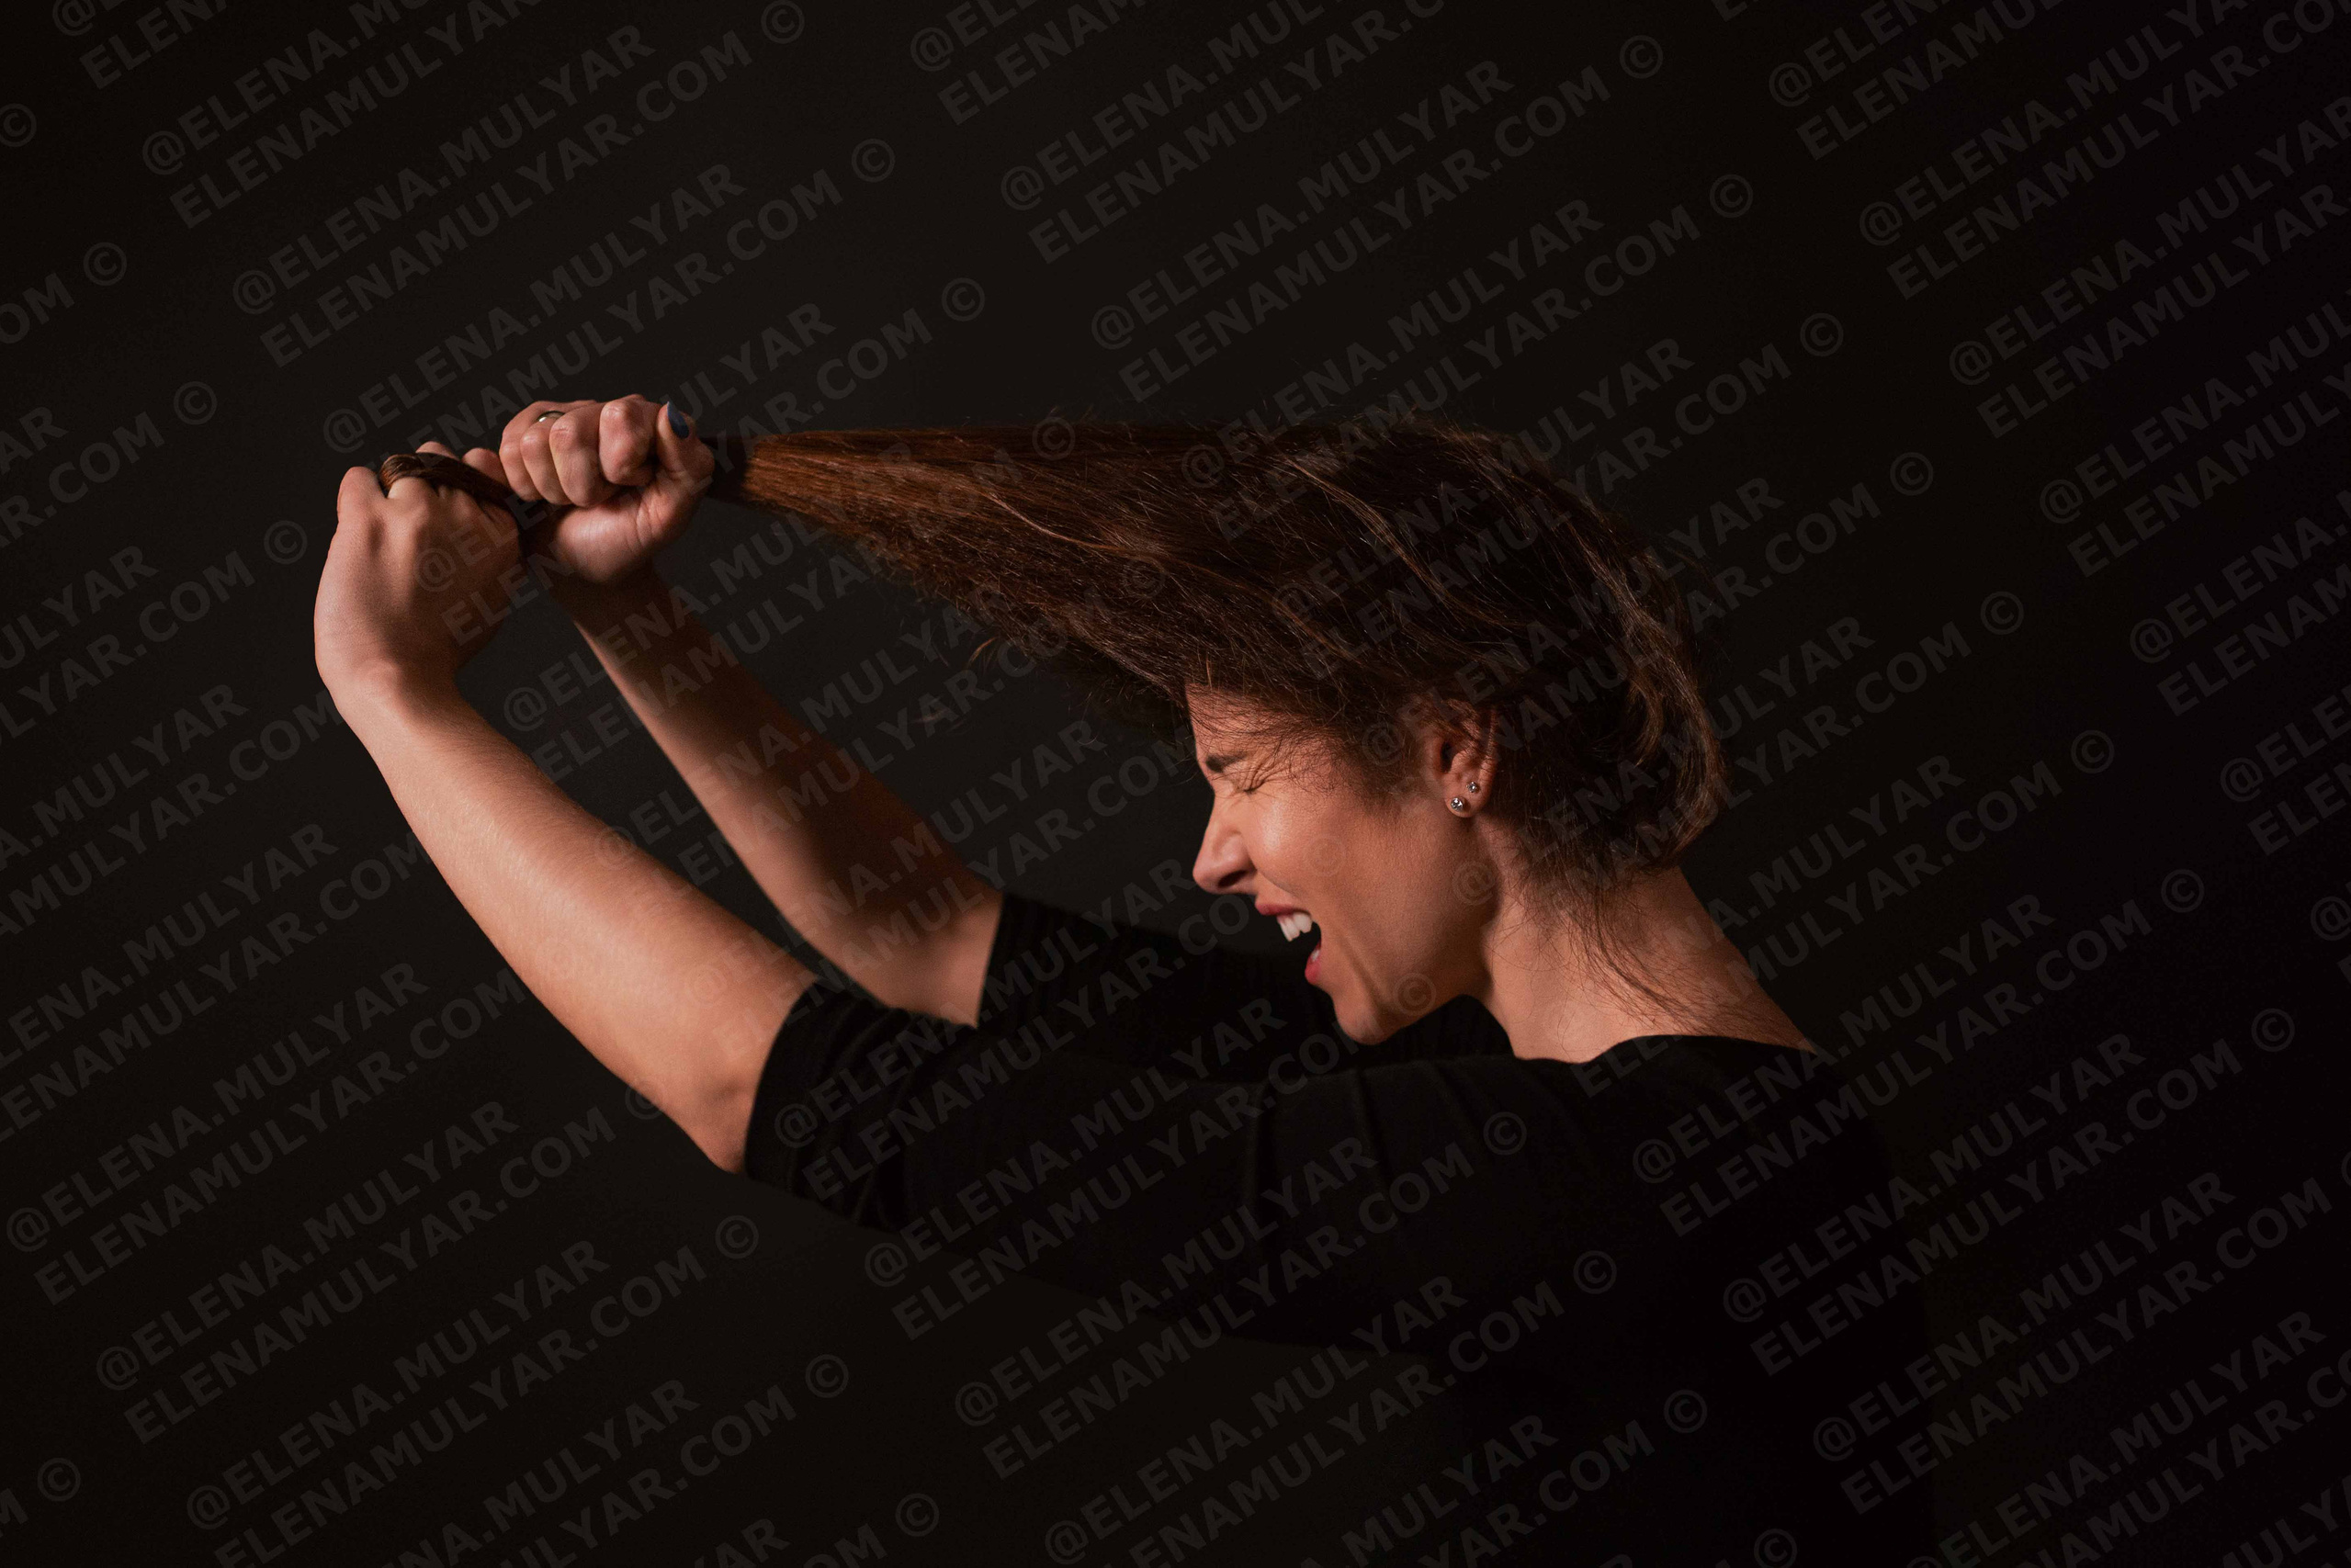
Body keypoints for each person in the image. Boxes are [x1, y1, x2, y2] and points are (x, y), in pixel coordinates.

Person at [315, 396, 1934, 1561]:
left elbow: (771, 1086)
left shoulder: (1629, 1178)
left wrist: (397, 699)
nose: (1210, 854)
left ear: (1454, 747)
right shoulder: (1564, 1116)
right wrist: (628, 612)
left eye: (1236, 766)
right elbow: (925, 937)